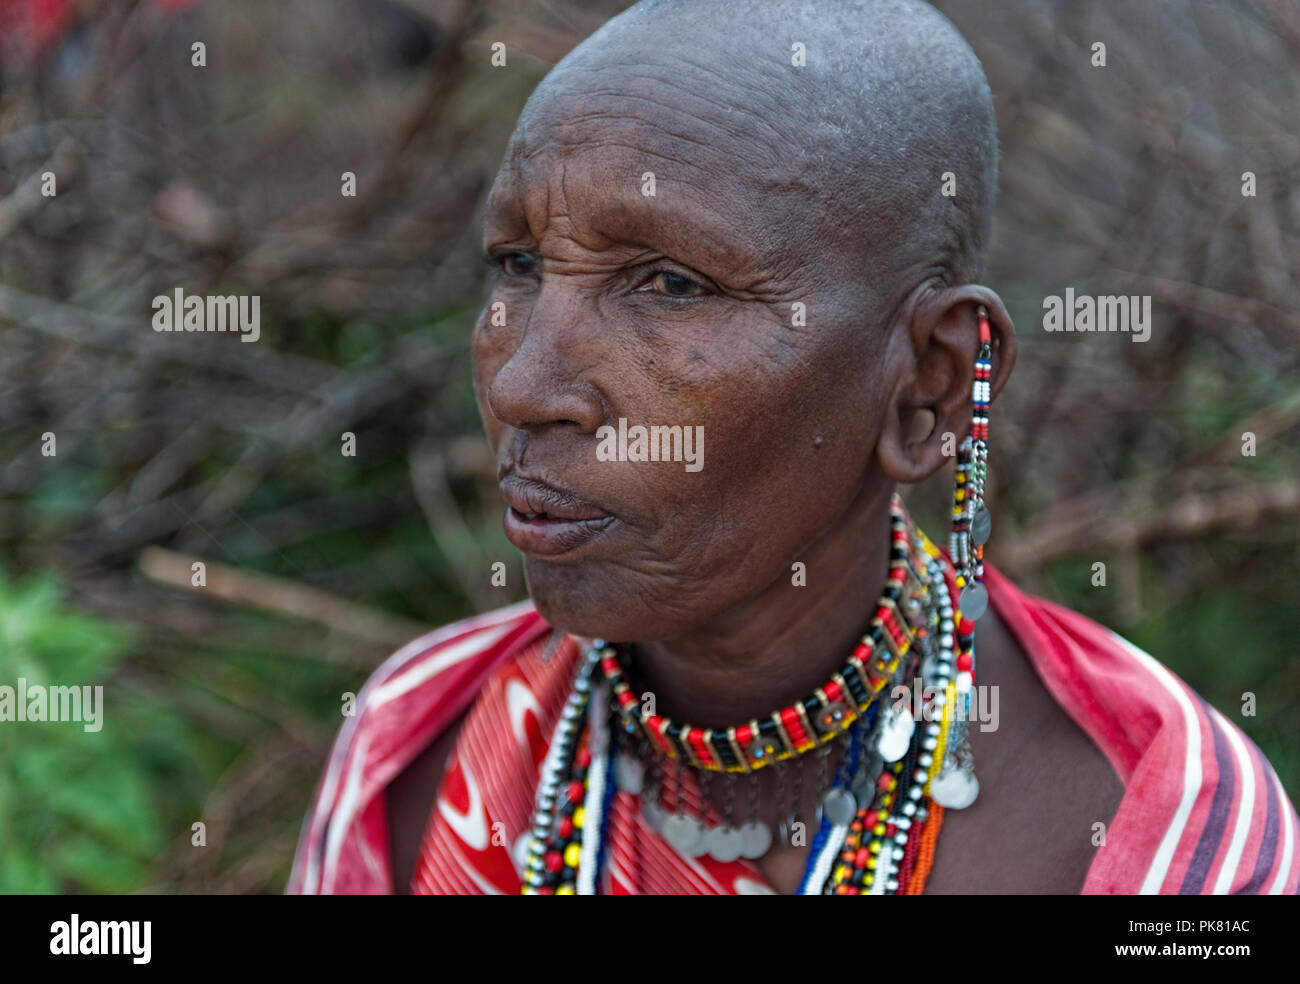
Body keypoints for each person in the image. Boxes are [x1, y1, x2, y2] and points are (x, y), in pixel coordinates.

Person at [288, 0, 1299, 895]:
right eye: (517, 263)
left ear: (928, 385)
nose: (520, 387)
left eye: (671, 285)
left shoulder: (1151, 834)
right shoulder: (416, 747)